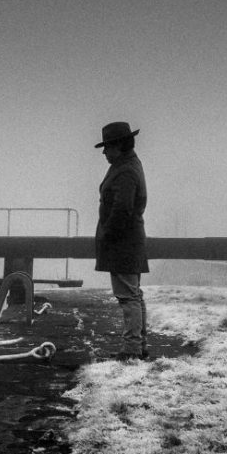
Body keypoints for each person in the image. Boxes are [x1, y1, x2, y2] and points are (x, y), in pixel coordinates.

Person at [94, 121, 148, 360]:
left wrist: (107, 234)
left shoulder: (125, 170)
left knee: (128, 297)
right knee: (133, 295)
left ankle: (132, 349)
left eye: (107, 147)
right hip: (128, 240)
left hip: (122, 243)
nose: (104, 152)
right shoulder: (128, 164)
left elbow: (123, 208)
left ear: (119, 146)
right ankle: (137, 345)